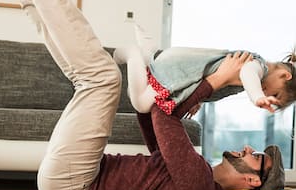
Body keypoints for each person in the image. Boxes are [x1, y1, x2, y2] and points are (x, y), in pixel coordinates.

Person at [14, 0, 285, 190]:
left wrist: (214, 81)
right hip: (74, 179)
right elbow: (150, 119)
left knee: (102, 79)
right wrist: (193, 92)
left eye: (257, 156)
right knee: (89, 78)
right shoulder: (196, 174)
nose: (249, 148)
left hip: (76, 187)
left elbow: (163, 115)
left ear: (253, 181)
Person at [113, 25, 296, 116]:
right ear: (284, 75)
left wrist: (195, 98)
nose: (269, 97)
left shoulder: (255, 74)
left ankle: (148, 51)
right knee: (141, 104)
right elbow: (248, 74)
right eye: (276, 94)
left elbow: (209, 80)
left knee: (136, 91)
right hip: (178, 69)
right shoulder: (257, 65)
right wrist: (257, 96)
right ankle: (133, 53)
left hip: (180, 71)